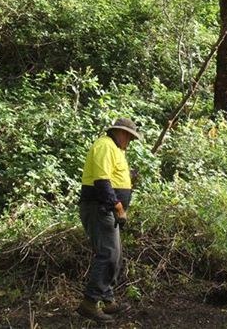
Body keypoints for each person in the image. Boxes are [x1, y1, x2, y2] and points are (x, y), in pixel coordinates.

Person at [76, 118, 140, 323]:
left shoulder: (116, 149)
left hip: (106, 209)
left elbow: (114, 177)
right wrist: (118, 207)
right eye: (128, 137)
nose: (129, 141)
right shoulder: (104, 145)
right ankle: (90, 303)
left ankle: (107, 299)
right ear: (120, 133)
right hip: (99, 207)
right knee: (108, 254)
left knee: (115, 255)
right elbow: (102, 181)